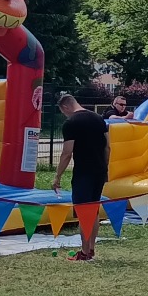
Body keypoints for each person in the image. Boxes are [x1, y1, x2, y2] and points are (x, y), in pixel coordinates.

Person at [50, 93, 109, 261]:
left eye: (63, 112)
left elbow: (67, 153)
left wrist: (57, 177)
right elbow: (107, 147)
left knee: (84, 211)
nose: (65, 115)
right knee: (94, 210)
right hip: (99, 170)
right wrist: (106, 167)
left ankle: (84, 252)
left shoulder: (71, 123)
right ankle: (91, 248)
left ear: (66, 107)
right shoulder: (99, 119)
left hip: (84, 172)